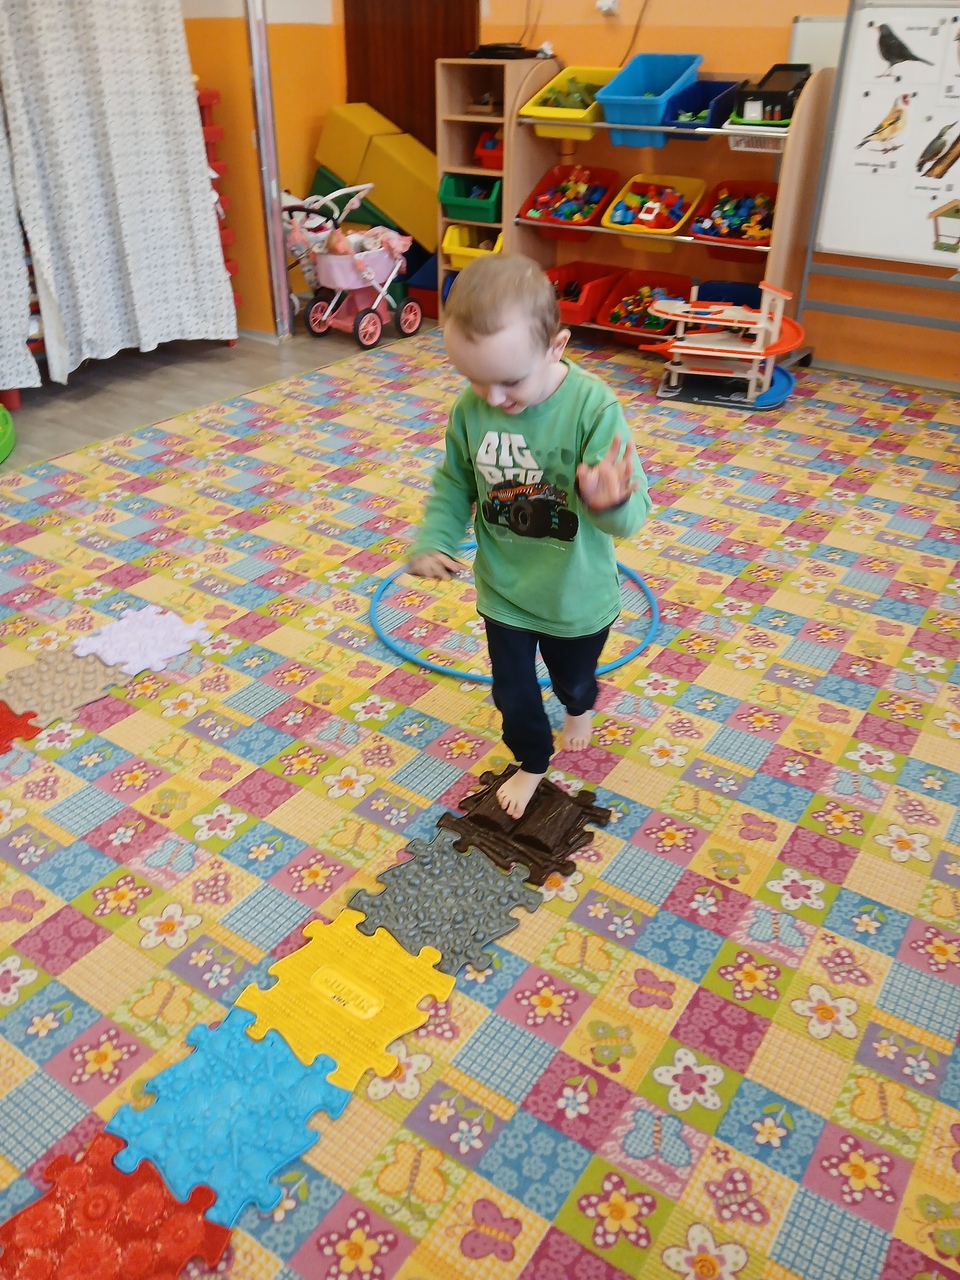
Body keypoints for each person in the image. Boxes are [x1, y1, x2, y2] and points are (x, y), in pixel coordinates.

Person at [408, 254, 650, 818]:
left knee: (575, 680)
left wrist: (609, 501)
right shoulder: (472, 409)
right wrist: (435, 537)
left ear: (556, 347)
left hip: (576, 594)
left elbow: (631, 518)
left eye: (511, 380)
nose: (492, 398)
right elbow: (455, 481)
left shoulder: (594, 408)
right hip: (505, 589)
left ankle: (580, 707)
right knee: (512, 690)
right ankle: (532, 760)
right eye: (474, 378)